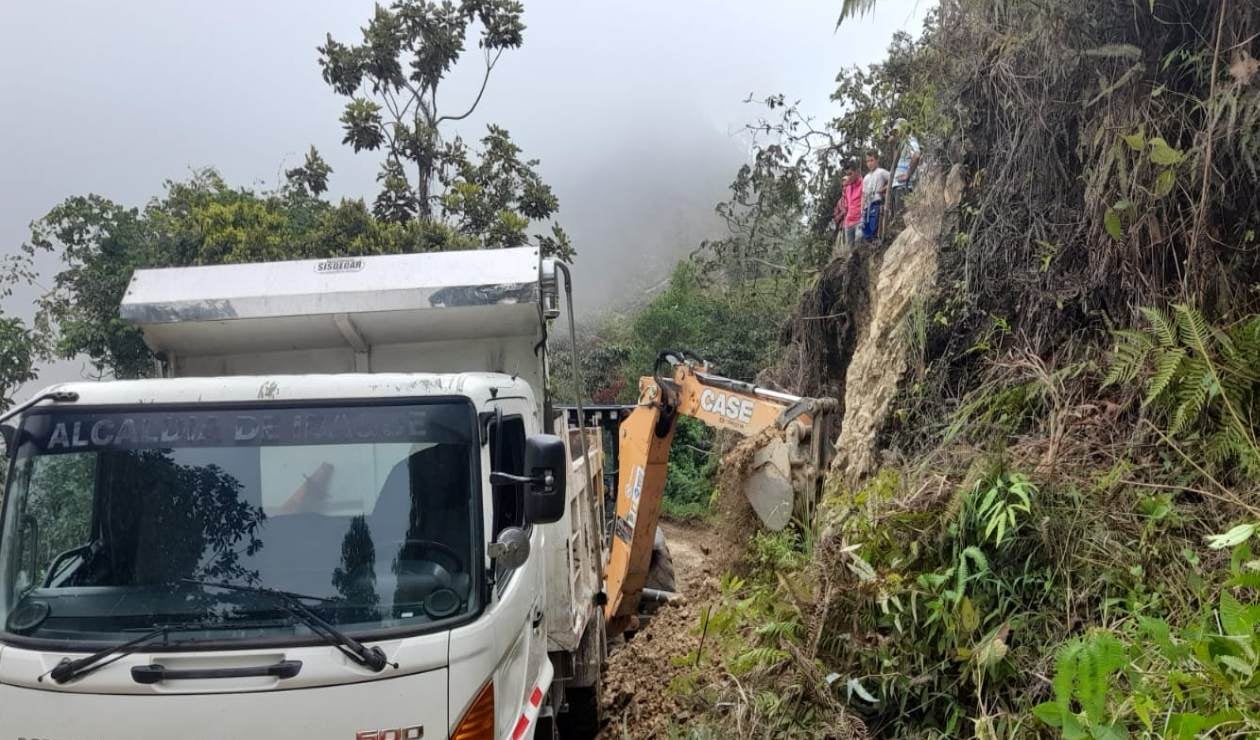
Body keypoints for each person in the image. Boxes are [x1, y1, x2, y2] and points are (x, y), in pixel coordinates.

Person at [888, 118, 921, 224]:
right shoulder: (902, 144)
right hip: (898, 187)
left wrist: (907, 174)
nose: (896, 134)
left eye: (897, 131)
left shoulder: (910, 141)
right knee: (898, 219)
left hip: (903, 187)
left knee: (902, 220)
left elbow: (916, 155)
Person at [831, 160, 863, 257]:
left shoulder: (864, 183)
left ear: (857, 171)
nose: (848, 177)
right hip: (848, 223)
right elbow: (838, 214)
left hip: (860, 220)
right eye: (847, 175)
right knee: (851, 253)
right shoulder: (848, 189)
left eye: (850, 174)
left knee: (859, 244)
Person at [861, 150, 891, 243]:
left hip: (877, 202)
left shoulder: (881, 172)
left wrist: (883, 189)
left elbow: (892, 179)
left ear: (877, 160)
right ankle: (869, 245)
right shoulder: (866, 177)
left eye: (872, 160)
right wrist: (861, 208)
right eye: (867, 161)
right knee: (866, 228)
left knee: (874, 226)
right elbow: (863, 194)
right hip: (867, 206)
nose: (869, 163)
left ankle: (876, 242)